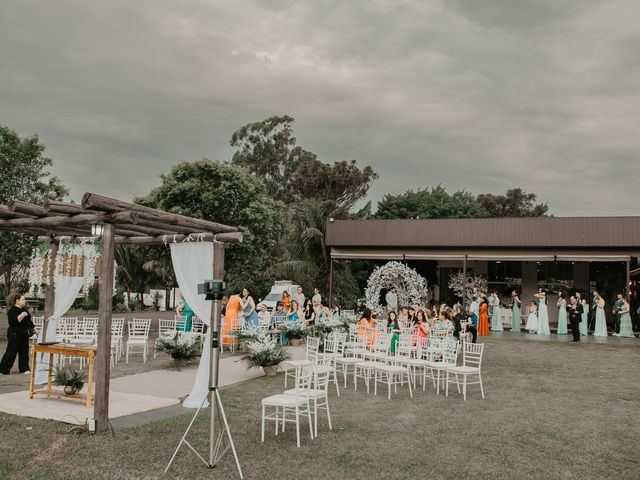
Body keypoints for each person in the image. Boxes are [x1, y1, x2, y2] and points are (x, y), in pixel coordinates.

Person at [0, 293, 35, 375]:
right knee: (11, 352)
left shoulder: (24, 310)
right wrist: (22, 315)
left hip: (24, 334)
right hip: (14, 334)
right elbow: (13, 323)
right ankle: (4, 369)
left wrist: (35, 329)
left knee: (24, 352)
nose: (25, 300)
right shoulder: (12, 311)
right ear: (17, 301)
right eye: (23, 299)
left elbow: (29, 322)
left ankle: (24, 369)